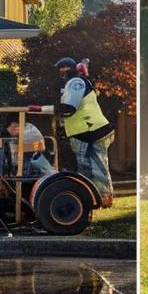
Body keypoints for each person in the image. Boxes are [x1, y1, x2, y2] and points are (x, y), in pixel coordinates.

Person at [31, 57, 115, 207]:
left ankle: (104, 198)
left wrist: (42, 109)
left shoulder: (76, 82)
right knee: (85, 167)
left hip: (92, 130)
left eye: (65, 68)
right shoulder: (74, 84)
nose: (62, 72)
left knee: (97, 166)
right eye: (60, 69)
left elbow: (69, 109)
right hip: (83, 132)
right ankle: (93, 198)